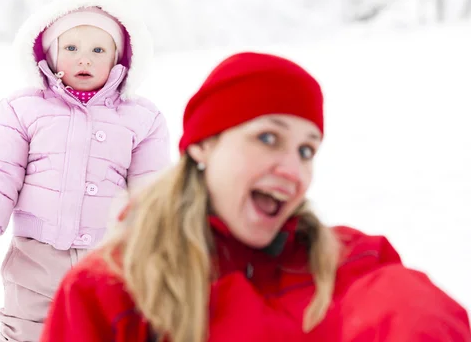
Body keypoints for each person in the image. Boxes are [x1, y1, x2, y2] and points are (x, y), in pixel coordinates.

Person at [39, 52, 471, 342]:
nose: (293, 169)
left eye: (307, 150)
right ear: (203, 145)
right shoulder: (109, 289)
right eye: (268, 137)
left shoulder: (355, 263)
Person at [0, 0, 170, 342]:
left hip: (109, 262)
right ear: (50, 52)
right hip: (35, 257)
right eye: (71, 47)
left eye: (98, 49)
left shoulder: (142, 118)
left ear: (120, 58)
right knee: (25, 333)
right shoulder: (21, 109)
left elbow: (152, 191)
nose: (83, 58)